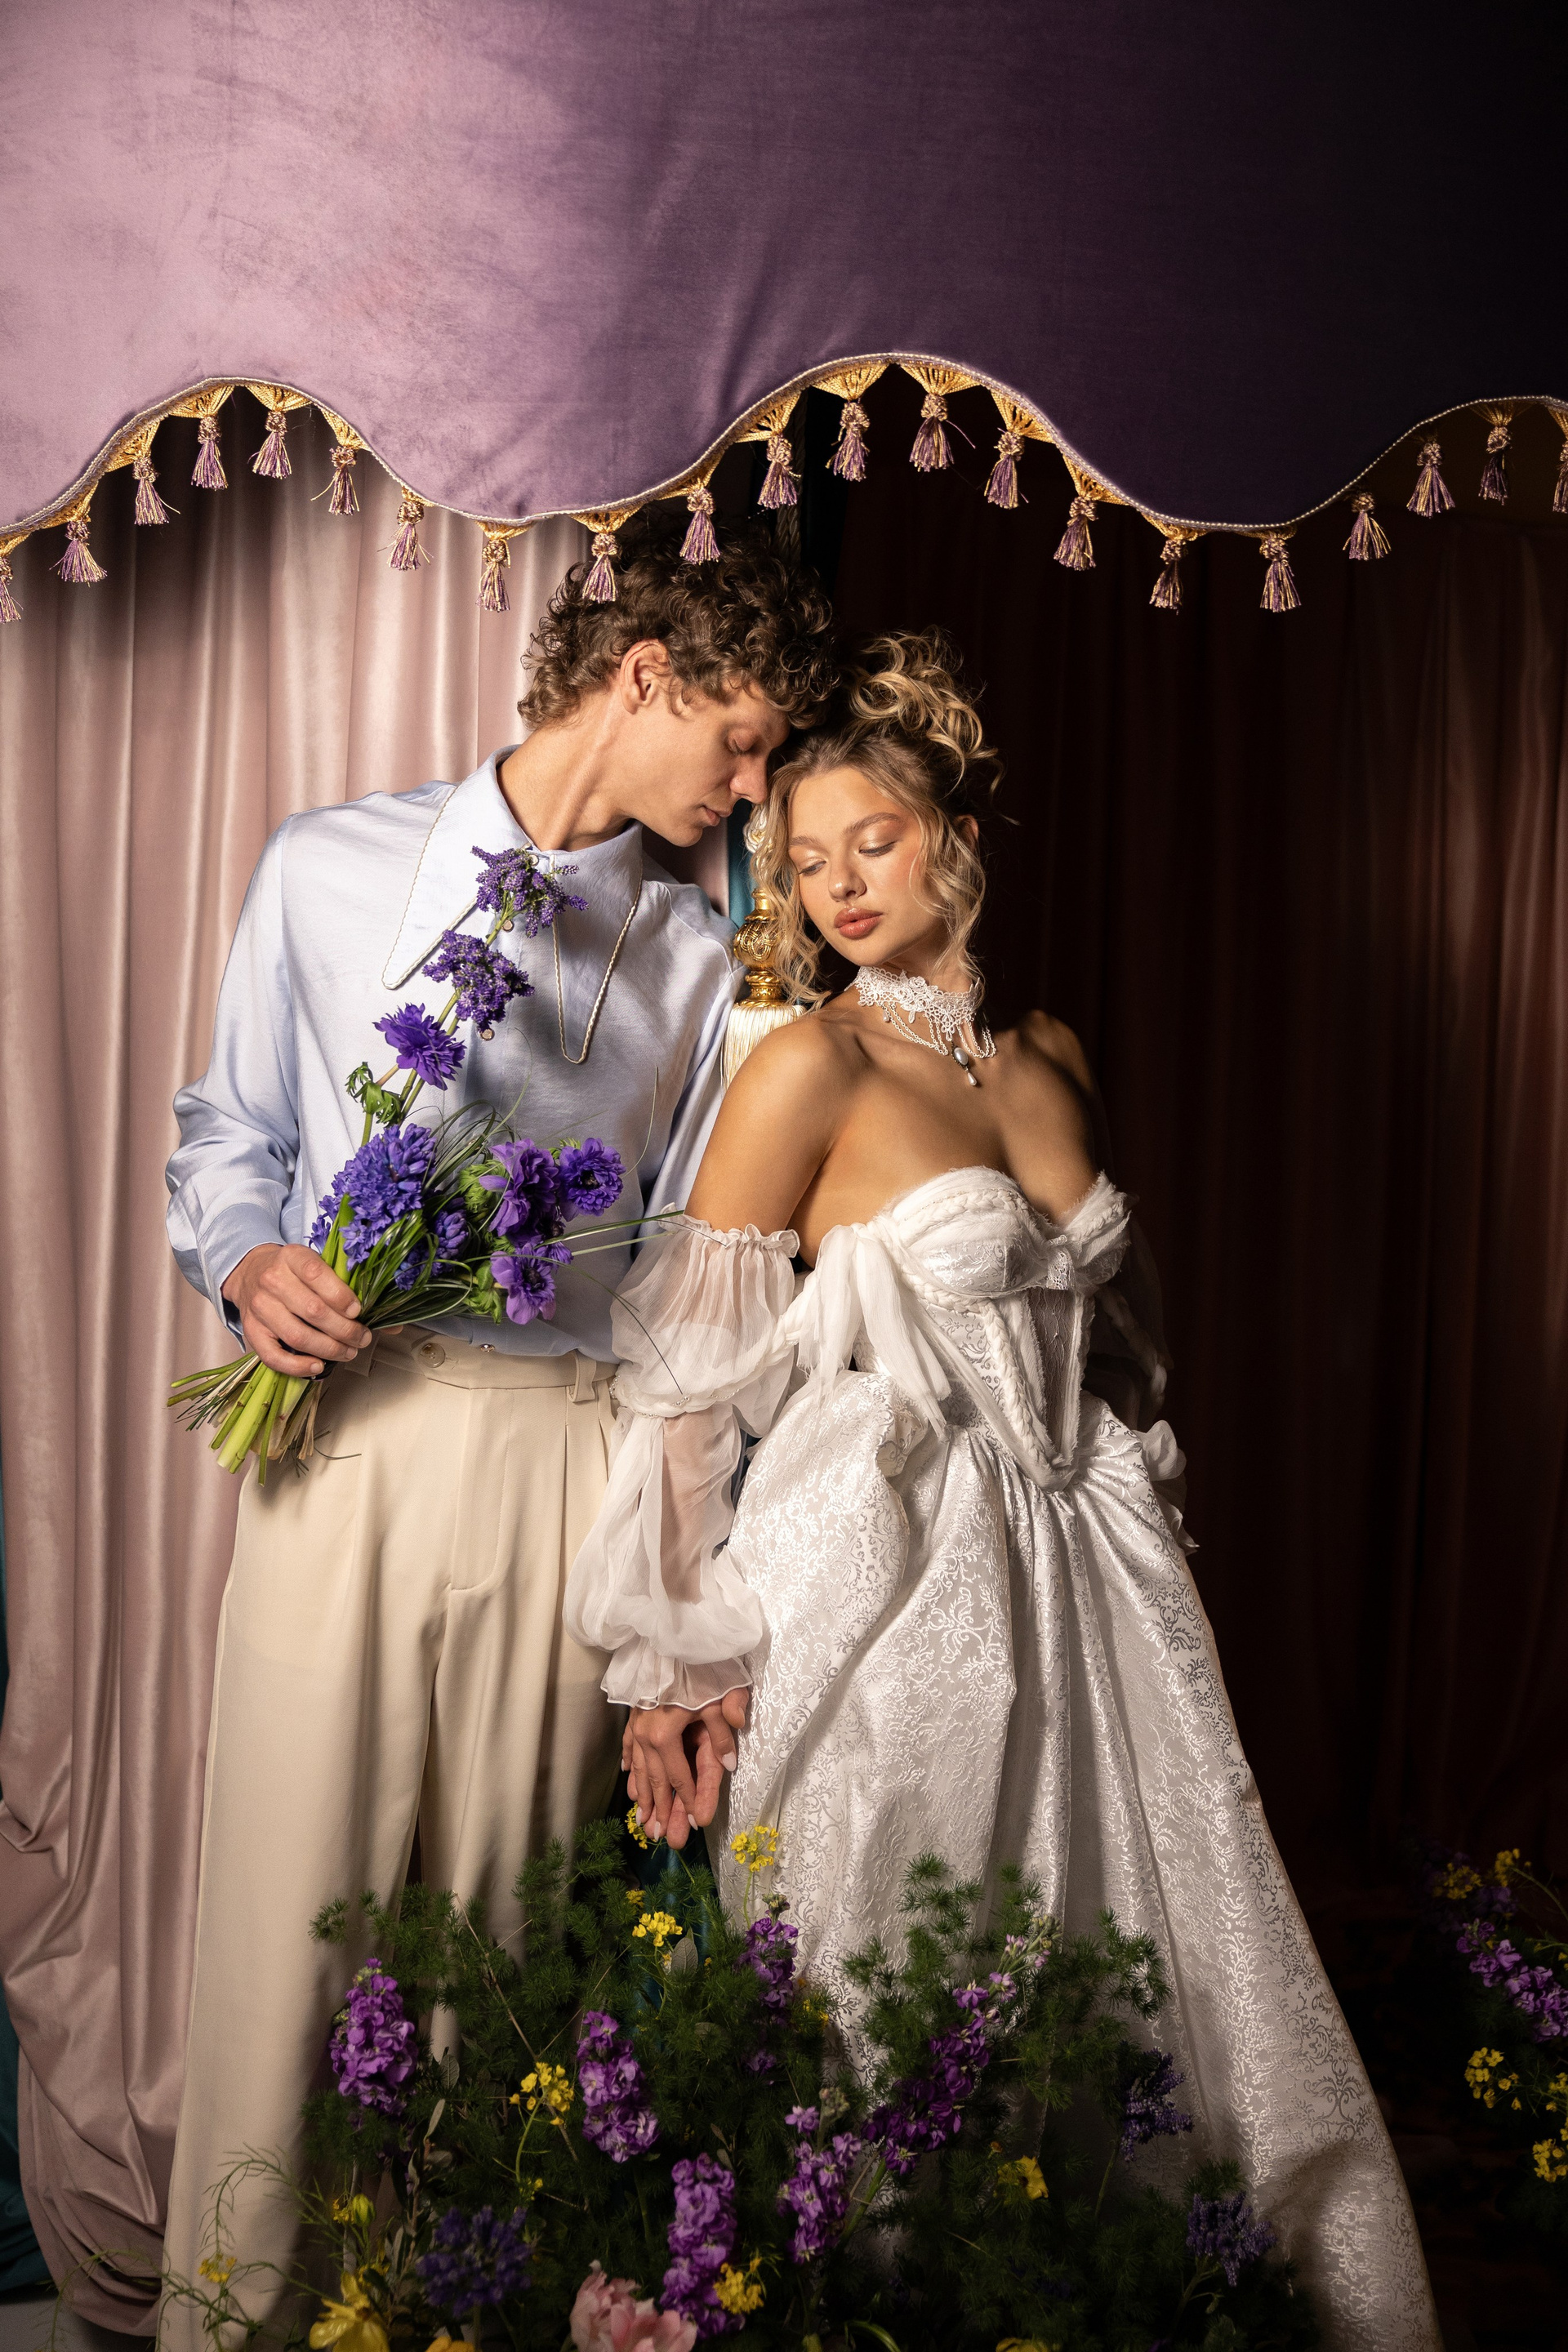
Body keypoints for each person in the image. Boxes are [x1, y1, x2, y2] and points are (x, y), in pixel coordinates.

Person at [564, 633, 1441, 2352]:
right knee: (895, 1958)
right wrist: (670, 1662)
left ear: (955, 837)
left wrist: (1132, 1505)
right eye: (806, 861)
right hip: (894, 1558)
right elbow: (681, 1384)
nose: (838, 887)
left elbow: (1123, 1336)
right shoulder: (809, 1066)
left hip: (1087, 1563)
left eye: (872, 842)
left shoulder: (1048, 1053)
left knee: (1135, 1972)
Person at [159, 517, 838, 2335]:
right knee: (285, 1925)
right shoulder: (323, 865)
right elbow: (227, 1132)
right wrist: (248, 1261)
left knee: (499, 1946)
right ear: (647, 678)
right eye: (744, 743)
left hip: (565, 1462)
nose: (753, 792)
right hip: (344, 1439)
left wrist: (679, 1607)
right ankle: (242, 2317)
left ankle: (457, 2313)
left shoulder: (702, 961)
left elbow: (690, 1295)